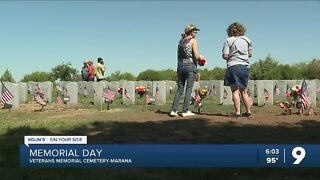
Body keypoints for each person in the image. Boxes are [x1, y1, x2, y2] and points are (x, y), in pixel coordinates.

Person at [222, 22, 253, 118]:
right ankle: (248, 112)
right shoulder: (247, 40)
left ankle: (237, 113)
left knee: (235, 91)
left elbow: (225, 56)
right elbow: (250, 54)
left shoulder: (228, 40)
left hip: (233, 66)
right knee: (244, 91)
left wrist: (232, 55)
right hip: (244, 67)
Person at [170, 24, 201, 117]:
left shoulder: (180, 41)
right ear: (191, 31)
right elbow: (196, 56)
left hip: (180, 67)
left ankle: (173, 110)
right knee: (188, 89)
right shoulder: (193, 41)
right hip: (190, 67)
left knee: (180, 89)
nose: (196, 32)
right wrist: (201, 59)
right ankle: (185, 110)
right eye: (195, 30)